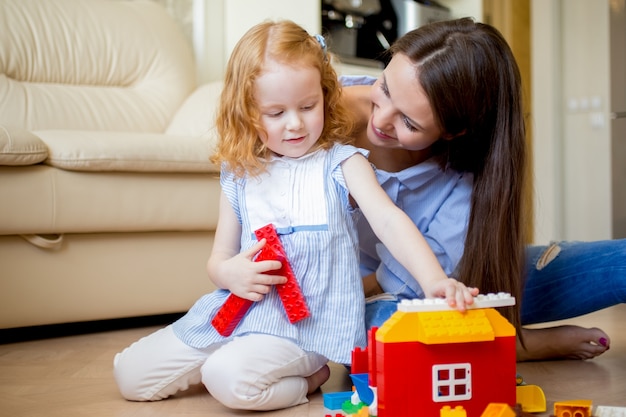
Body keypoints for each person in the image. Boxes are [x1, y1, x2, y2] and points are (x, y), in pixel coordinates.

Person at [113, 20, 477, 412]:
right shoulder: (239, 172)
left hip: (305, 326)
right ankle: (239, 355)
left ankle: (307, 378)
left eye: (308, 106)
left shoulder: (345, 163)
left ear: (325, 96)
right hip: (237, 311)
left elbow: (389, 222)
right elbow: (219, 256)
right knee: (130, 374)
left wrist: (435, 280)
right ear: (248, 113)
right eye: (275, 112)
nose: (295, 123)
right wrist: (228, 273)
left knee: (226, 377)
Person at [340, 17, 622, 362]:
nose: (381, 120)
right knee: (363, 335)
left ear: (453, 132)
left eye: (409, 122)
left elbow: (404, 284)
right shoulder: (308, 112)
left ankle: (502, 338)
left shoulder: (467, 186)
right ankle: (515, 343)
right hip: (370, 298)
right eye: (384, 88)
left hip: (459, 284)